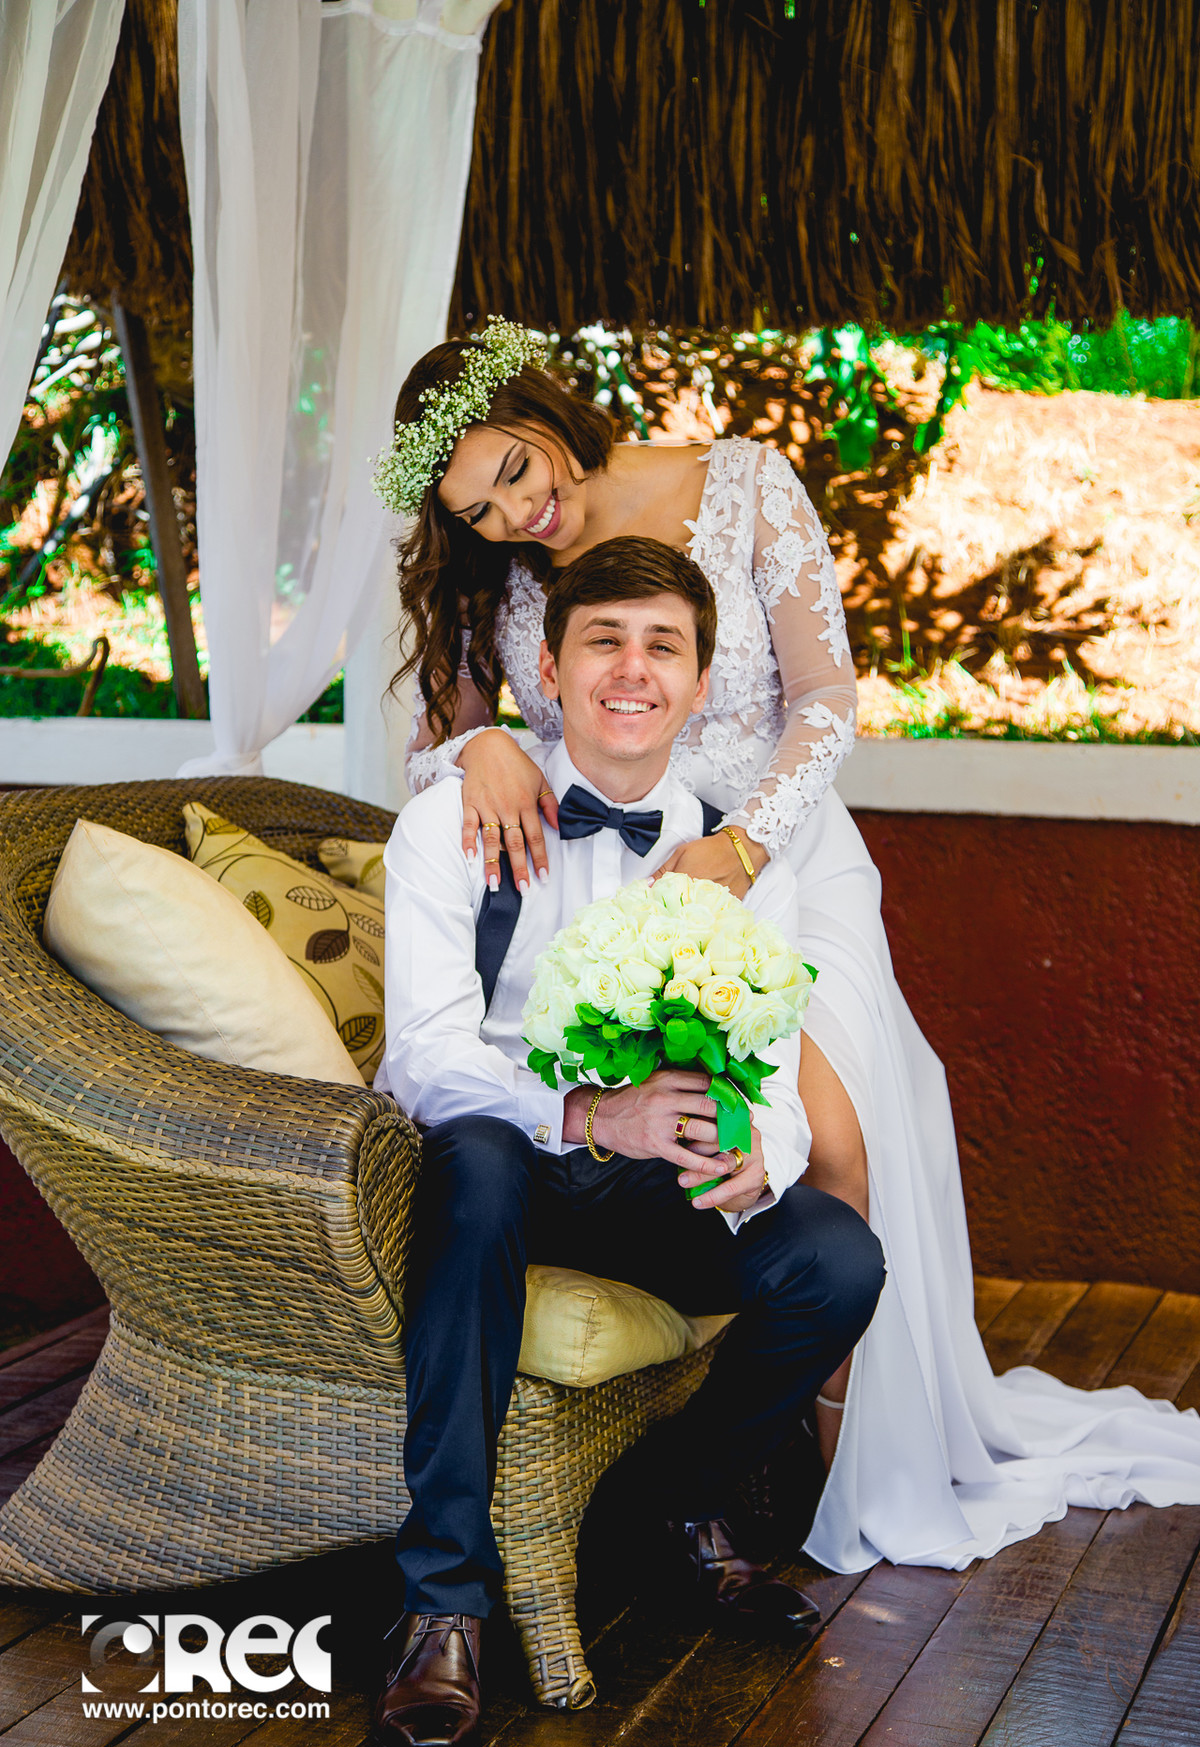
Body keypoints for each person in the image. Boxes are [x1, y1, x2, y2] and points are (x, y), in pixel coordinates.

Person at [375, 317, 1200, 1581]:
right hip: (611, 889)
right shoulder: (507, 586)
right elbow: (457, 745)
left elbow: (827, 699)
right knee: (657, 1133)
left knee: (831, 1143)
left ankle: (803, 1470)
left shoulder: (743, 481)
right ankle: (696, 1477)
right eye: (478, 512)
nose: (511, 520)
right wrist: (475, 741)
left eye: (517, 474)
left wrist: (743, 846)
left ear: (543, 412)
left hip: (773, 856)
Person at [371, 537, 886, 1747]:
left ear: (702, 684)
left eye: (664, 647)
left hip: (655, 1199)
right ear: (548, 670)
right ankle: (443, 1604)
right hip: (499, 1181)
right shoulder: (453, 819)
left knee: (837, 1258)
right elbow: (423, 1057)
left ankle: (684, 1505)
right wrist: (592, 1117)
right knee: (482, 1158)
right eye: (603, 640)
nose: (632, 671)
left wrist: (761, 1150)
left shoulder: (733, 858)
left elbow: (772, 1057)